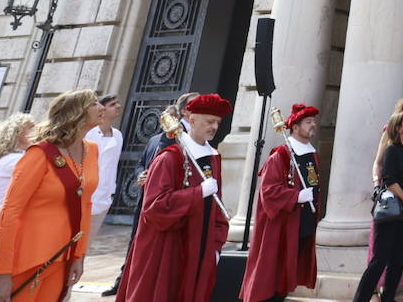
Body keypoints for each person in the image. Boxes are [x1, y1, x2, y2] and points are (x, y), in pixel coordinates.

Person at [117, 92, 232, 302]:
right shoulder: (170, 158)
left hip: (200, 244)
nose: (214, 127)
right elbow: (154, 207)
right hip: (169, 247)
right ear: (192, 119)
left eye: (217, 122)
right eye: (209, 121)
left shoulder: (213, 158)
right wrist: (198, 193)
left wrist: (215, 245)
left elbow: (217, 207)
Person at [0, 89, 102, 302]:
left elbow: (85, 205)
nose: (102, 108)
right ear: (76, 113)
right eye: (94, 103)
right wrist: (3, 274)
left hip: (63, 256)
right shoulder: (39, 153)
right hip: (27, 258)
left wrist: (79, 255)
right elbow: (10, 212)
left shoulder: (92, 150)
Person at [103, 91, 198, 297]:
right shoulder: (157, 139)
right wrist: (141, 175)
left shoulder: (190, 140)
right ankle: (123, 282)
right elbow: (141, 163)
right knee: (135, 241)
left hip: (165, 204)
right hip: (145, 200)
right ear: (182, 112)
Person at [241, 103, 321, 302]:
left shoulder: (312, 154)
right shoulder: (280, 156)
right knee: (274, 276)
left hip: (304, 224)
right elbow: (268, 192)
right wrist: (295, 197)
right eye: (308, 122)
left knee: (288, 275)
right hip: (283, 227)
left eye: (314, 122)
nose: (313, 125)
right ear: (295, 127)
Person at [352, 110, 403, 302]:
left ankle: (388, 297)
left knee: (398, 259)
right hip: (390, 210)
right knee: (379, 260)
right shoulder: (392, 149)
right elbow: (389, 180)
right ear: (398, 128)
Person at [0, 113, 36, 251]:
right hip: (1, 232)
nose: (36, 130)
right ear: (18, 133)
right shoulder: (15, 159)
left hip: (6, 230)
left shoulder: (18, 157)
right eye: (30, 128)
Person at [85, 94, 124, 243]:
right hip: (88, 194)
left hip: (105, 196)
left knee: (88, 241)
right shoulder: (89, 133)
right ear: (102, 109)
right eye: (113, 104)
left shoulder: (118, 135)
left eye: (118, 103)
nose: (118, 106)